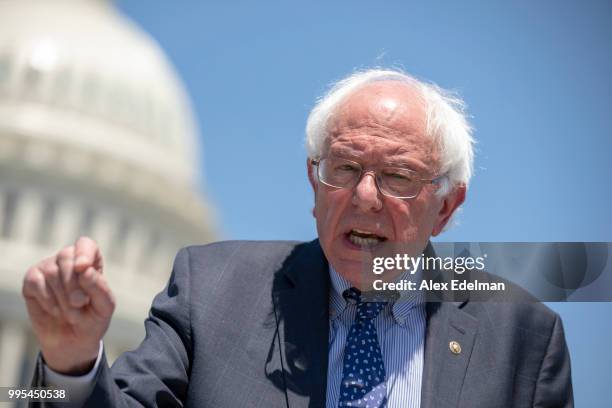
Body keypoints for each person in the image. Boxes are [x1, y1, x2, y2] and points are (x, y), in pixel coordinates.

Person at [23, 69, 573, 407]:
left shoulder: (523, 337)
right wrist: (70, 365)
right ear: (314, 182)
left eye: (399, 178)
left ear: (447, 206)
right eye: (344, 168)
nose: (364, 197)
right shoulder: (209, 291)